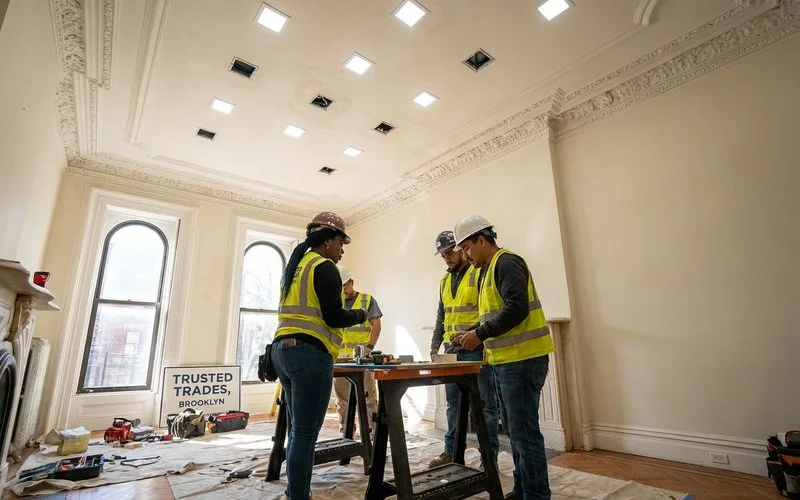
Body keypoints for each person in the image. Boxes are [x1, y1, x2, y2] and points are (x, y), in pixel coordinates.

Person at [452, 215, 555, 500]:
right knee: (514, 432)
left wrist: (480, 335)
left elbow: (517, 308)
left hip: (522, 361)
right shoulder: (488, 270)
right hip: (505, 362)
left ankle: (536, 495)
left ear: (482, 240)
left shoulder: (507, 262)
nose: (465, 256)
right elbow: (497, 315)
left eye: (467, 248)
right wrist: (470, 332)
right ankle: (523, 489)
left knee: (524, 434)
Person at [271, 212, 367, 500]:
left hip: (282, 352)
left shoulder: (295, 268)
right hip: (308, 355)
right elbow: (334, 316)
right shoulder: (324, 267)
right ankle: (298, 495)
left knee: (296, 428)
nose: (341, 250)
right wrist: (360, 314)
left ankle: (295, 490)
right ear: (327, 241)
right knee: (304, 433)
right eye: (341, 243)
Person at [428, 230, 500, 468]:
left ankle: (489, 457)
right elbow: (442, 315)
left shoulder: (479, 272)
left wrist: (475, 335)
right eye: (442, 255)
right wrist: (434, 343)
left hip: (476, 348)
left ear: (461, 248)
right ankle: (452, 452)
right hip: (451, 351)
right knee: (454, 405)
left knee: (485, 406)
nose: (446, 258)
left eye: (449, 252)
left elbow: (490, 310)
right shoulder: (444, 281)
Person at [332, 264, 383, 435]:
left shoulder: (367, 300)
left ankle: (372, 431)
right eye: (340, 287)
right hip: (339, 359)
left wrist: (369, 347)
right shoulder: (334, 303)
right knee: (342, 400)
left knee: (368, 396)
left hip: (363, 358)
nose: (343, 290)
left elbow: (376, 325)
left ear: (351, 282)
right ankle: (346, 431)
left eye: (345, 285)